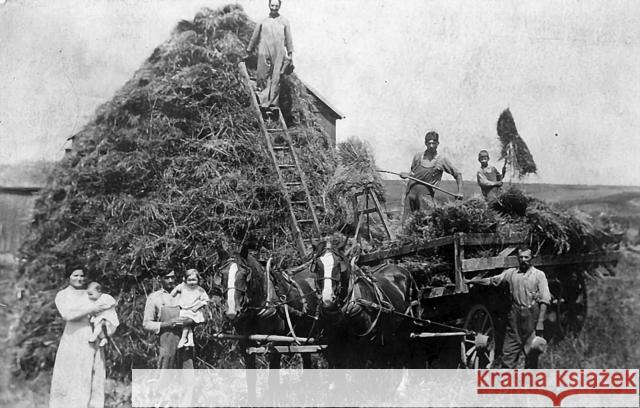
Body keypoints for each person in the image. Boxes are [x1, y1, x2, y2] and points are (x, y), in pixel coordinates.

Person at [466, 247, 551, 368]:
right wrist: (474, 281)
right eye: (521, 257)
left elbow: (545, 299)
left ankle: (530, 381)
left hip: (531, 315)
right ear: (517, 258)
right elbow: (493, 280)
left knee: (532, 352)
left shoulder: (539, 275)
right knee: (508, 352)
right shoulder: (511, 273)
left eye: (526, 257)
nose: (523, 260)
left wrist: (540, 322)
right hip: (514, 315)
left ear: (531, 258)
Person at [50, 269, 110, 408]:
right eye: (75, 275)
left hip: (89, 336)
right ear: (69, 277)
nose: (79, 278)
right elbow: (67, 315)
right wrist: (91, 309)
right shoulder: (62, 295)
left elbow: (102, 310)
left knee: (90, 373)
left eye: (82, 276)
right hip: (72, 338)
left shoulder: (89, 293)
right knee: (71, 373)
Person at [400, 131, 463, 221]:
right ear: (425, 143)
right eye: (429, 143)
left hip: (425, 195)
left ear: (438, 143)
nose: (431, 146)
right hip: (411, 193)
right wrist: (406, 175)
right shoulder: (418, 157)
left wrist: (460, 192)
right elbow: (412, 173)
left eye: (434, 143)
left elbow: (458, 174)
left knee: (426, 220)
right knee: (408, 221)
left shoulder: (441, 160)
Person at [246, 0, 294, 109]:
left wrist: (290, 55)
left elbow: (289, 40)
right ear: (269, 6)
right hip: (264, 50)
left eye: (276, 6)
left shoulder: (285, 22)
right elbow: (254, 37)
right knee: (262, 75)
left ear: (280, 6)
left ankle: (273, 103)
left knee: (276, 77)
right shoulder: (263, 21)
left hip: (278, 52)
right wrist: (249, 51)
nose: (274, 8)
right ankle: (263, 101)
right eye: (272, 5)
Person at [142, 270, 193, 368]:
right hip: (165, 343)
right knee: (165, 375)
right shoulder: (154, 297)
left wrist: (189, 321)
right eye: (166, 278)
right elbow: (146, 323)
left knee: (187, 375)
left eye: (172, 277)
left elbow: (198, 316)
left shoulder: (184, 294)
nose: (170, 280)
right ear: (160, 279)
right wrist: (166, 324)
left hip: (185, 340)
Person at [170, 269, 210, 348]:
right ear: (185, 280)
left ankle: (183, 339)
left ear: (198, 280)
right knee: (186, 325)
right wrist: (171, 296)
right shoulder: (183, 287)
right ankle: (190, 340)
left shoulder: (199, 290)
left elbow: (206, 300)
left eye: (194, 280)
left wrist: (198, 306)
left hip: (193, 311)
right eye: (189, 280)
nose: (192, 282)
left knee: (186, 323)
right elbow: (174, 292)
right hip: (184, 310)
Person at [86, 282, 119, 347]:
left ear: (99, 291)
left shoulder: (105, 297)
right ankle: (104, 339)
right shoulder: (93, 301)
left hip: (109, 320)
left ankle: (94, 337)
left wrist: (106, 307)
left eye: (91, 294)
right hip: (100, 323)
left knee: (101, 322)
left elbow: (115, 303)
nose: (89, 296)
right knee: (98, 326)